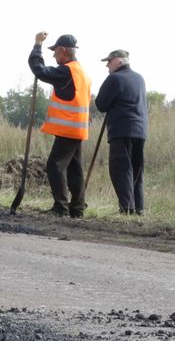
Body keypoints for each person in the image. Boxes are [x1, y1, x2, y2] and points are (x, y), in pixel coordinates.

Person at [28, 32, 91, 217]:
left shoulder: (66, 70)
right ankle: (77, 208)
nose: (54, 56)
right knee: (74, 168)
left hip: (68, 127)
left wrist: (37, 45)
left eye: (55, 51)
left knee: (54, 166)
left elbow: (39, 70)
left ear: (64, 51)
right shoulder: (81, 72)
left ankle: (60, 207)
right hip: (77, 128)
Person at [95, 49, 149, 215]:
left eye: (109, 61)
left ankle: (126, 208)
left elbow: (101, 104)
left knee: (121, 168)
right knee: (136, 168)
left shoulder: (114, 78)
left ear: (118, 61)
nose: (107, 65)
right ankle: (138, 207)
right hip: (140, 130)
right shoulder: (139, 78)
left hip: (122, 129)